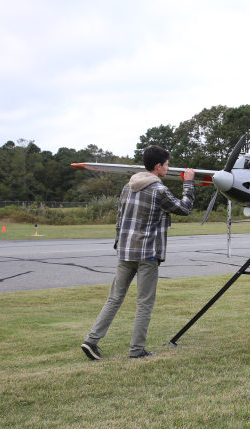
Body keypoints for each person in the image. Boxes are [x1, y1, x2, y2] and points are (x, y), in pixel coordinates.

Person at [81, 146, 195, 360]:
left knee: (114, 298)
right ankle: (136, 350)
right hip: (147, 254)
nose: (168, 168)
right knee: (144, 302)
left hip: (125, 251)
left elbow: (119, 218)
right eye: (167, 165)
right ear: (158, 166)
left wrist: (119, 244)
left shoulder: (128, 186)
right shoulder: (158, 190)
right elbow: (184, 208)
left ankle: (91, 341)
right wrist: (188, 183)